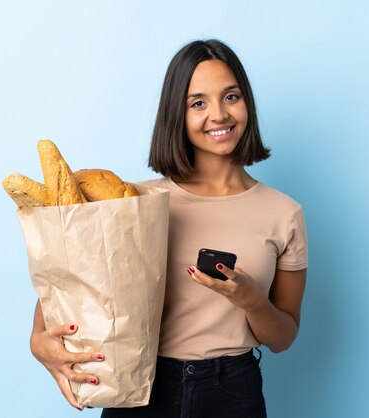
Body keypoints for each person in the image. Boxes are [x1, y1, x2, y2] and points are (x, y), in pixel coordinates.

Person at [29, 39, 308, 418]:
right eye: (198, 103)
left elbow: (283, 337)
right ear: (175, 113)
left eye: (231, 97)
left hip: (232, 393)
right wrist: (38, 342)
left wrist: (252, 300)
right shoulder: (136, 204)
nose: (219, 115)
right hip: (140, 388)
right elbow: (67, 287)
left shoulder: (284, 213)